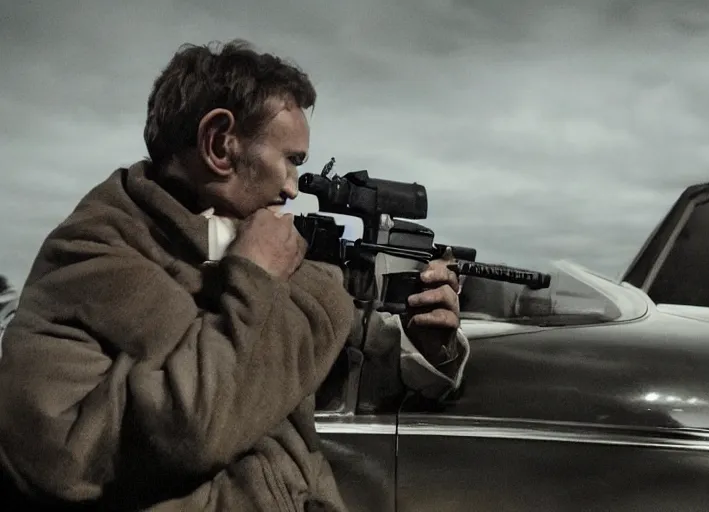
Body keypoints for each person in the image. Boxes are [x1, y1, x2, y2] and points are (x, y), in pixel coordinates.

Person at [0, 39, 469, 511]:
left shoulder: (225, 241)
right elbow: (187, 429)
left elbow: (319, 370)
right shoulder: (92, 255)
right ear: (220, 144)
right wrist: (262, 277)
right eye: (290, 160)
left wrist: (428, 345)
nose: (291, 188)